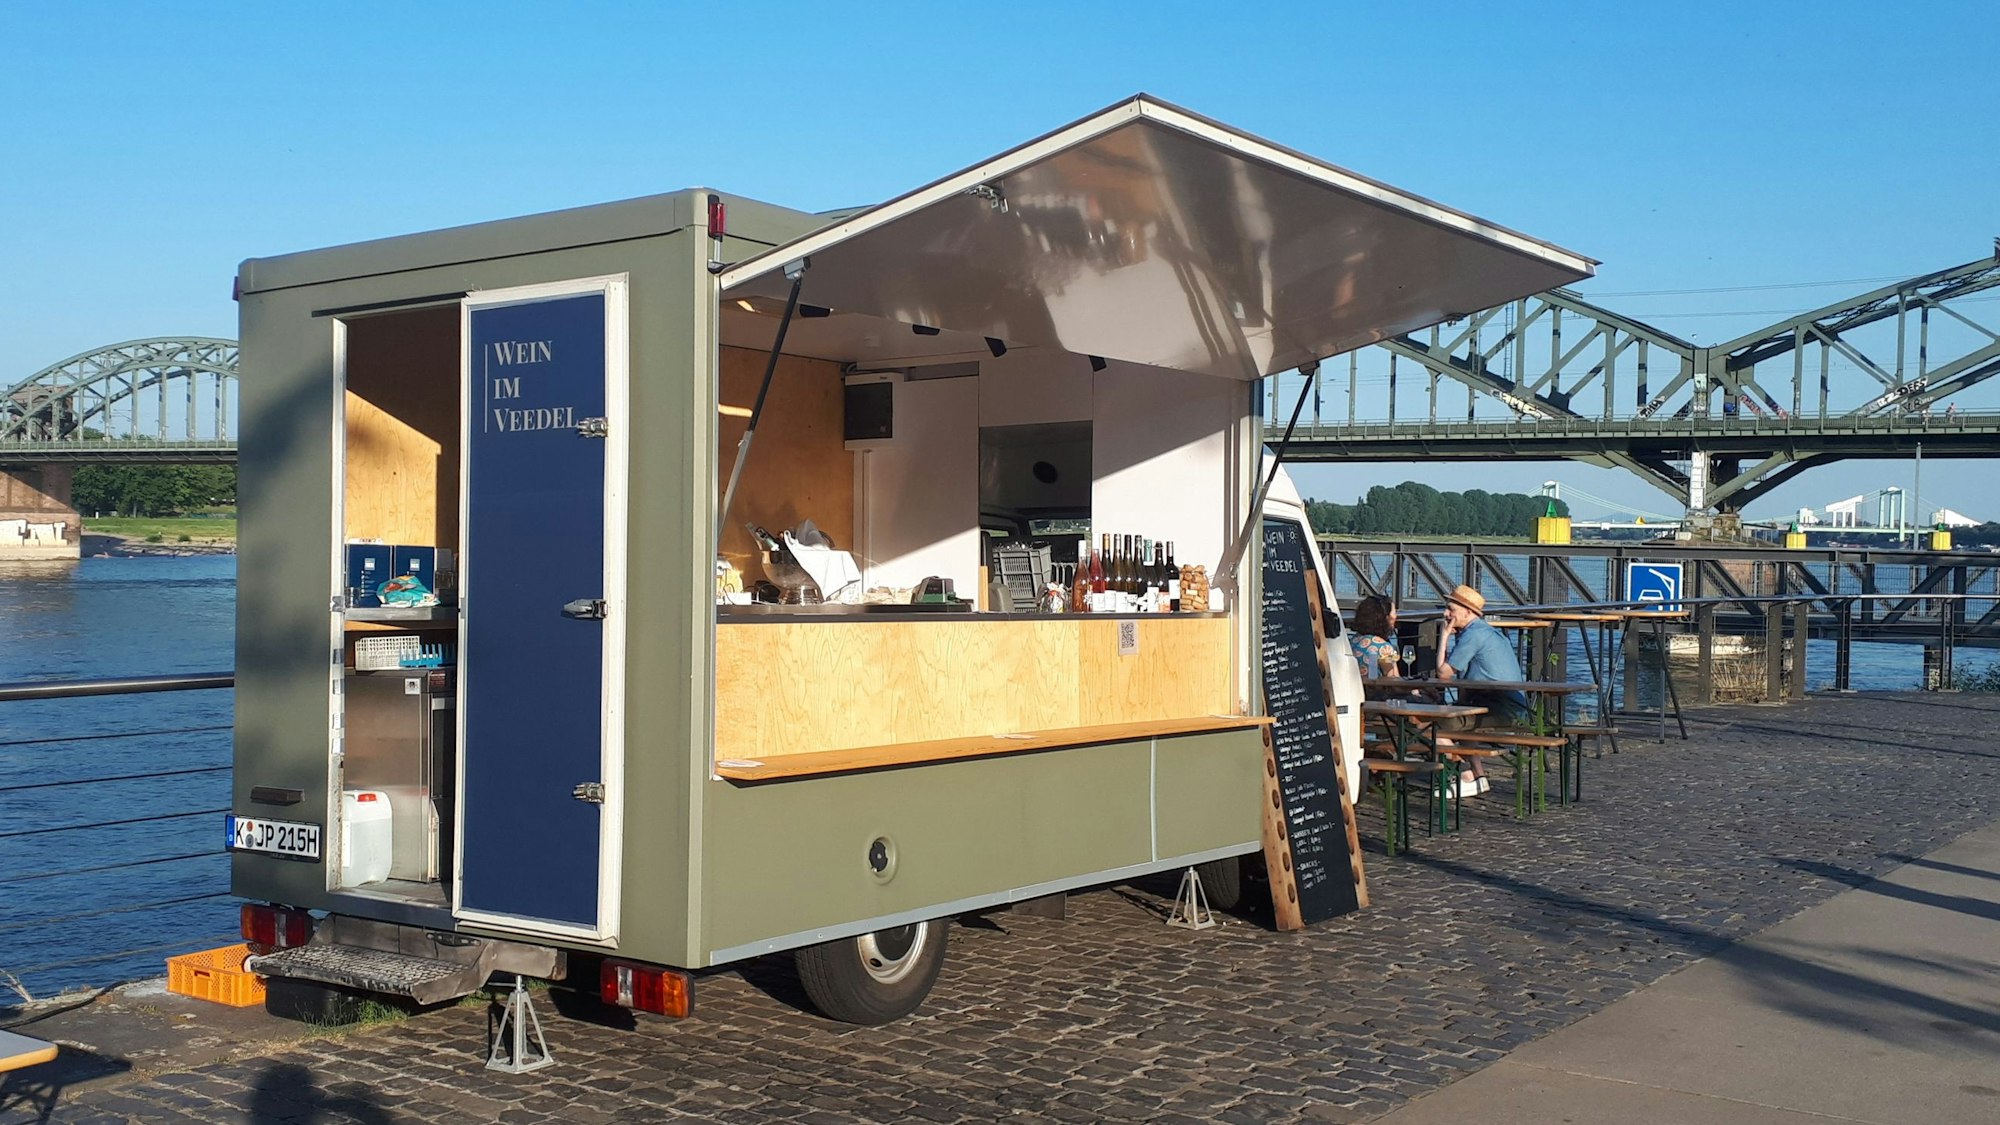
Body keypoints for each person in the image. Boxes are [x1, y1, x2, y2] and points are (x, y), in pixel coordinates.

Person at [1435, 585, 1532, 795]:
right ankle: (1477, 776)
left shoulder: (1474, 635)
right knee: (1458, 717)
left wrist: (1443, 637)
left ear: (1468, 612)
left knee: (1433, 726)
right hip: (1500, 705)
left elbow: (1443, 674)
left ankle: (1456, 768)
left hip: (1502, 709)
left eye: (1451, 609)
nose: (1446, 614)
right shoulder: (1480, 631)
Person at [1346, 595, 1402, 683]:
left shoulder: (1353, 641)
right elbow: (1394, 681)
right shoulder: (1384, 648)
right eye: (1394, 613)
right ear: (1386, 618)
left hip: (1355, 691)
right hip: (1378, 694)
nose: (1396, 617)